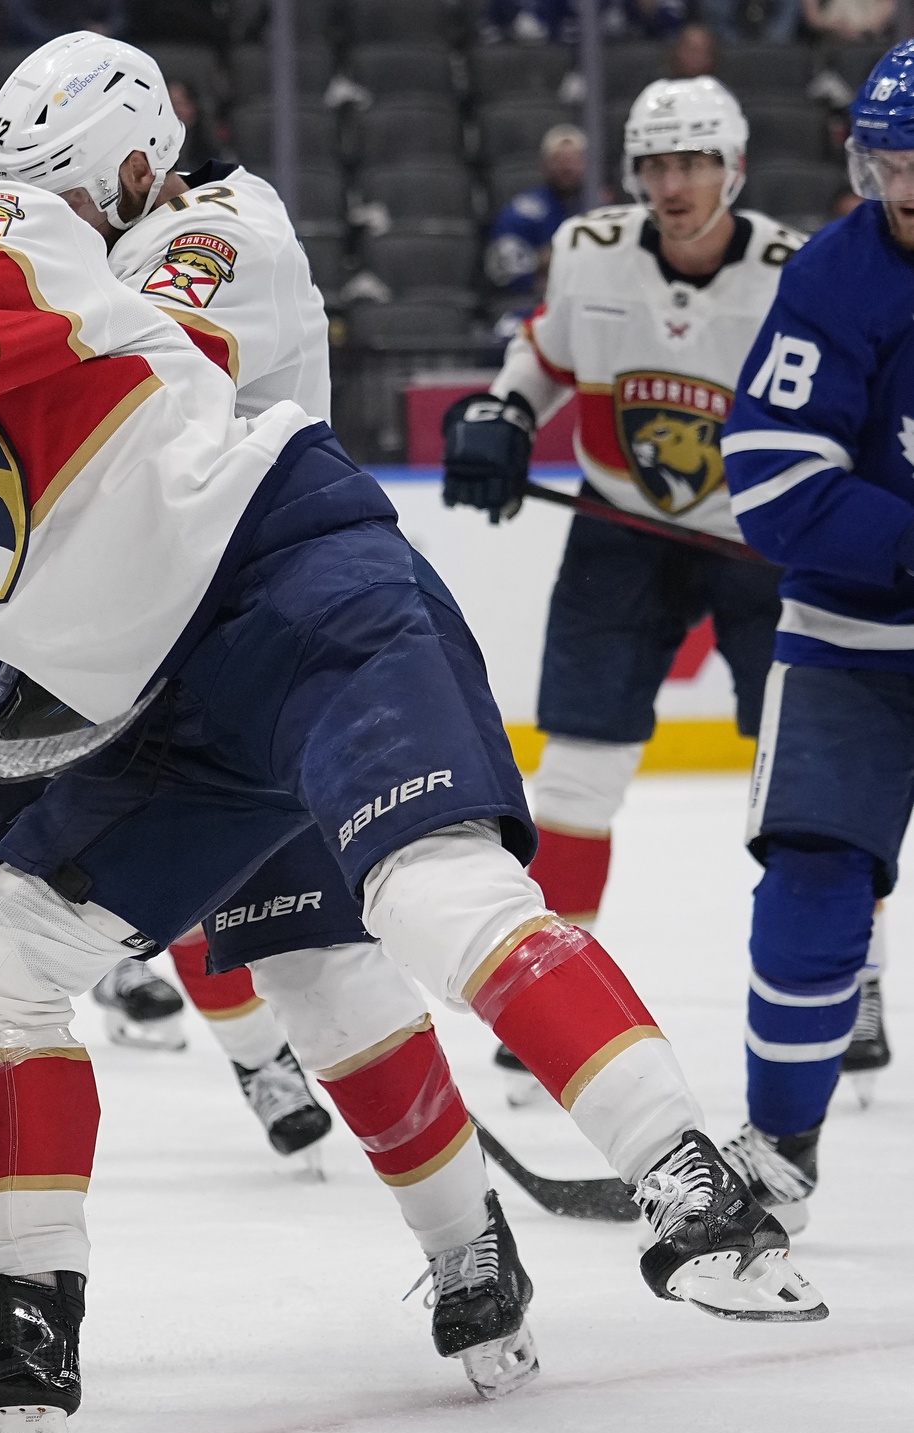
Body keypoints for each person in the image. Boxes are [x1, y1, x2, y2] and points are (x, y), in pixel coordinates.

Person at [0, 101, 825, 1433]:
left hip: (295, 586)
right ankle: (19, 1343)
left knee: (425, 897)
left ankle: (695, 1184)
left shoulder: (6, 239)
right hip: (146, 701)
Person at [440, 80, 838, 1112]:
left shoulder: (801, 276)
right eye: (655, 164)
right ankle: (548, 1009)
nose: (672, 184)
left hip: (761, 544)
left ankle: (861, 984)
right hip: (618, 528)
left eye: (693, 162)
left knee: (810, 780)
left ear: (734, 166)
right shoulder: (590, 250)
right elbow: (544, 354)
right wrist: (502, 410)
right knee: (573, 778)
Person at [719, 42, 914, 1238]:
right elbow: (771, 476)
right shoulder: (837, 279)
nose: (904, 192)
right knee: (811, 876)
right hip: (853, 639)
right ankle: (779, 1153)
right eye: (891, 165)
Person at [486, 125, 588, 311]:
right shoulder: (522, 211)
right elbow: (503, 272)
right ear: (544, 163)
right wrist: (540, 262)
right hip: (533, 306)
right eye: (558, 159)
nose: (566, 167)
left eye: (574, 159)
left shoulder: (602, 209)